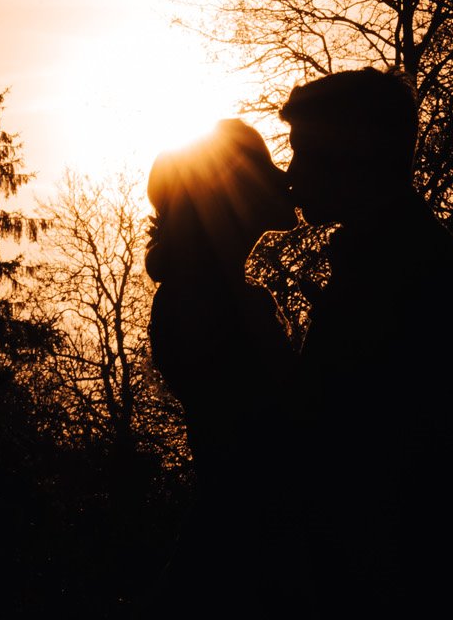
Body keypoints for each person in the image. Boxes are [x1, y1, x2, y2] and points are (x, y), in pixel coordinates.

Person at [279, 67, 453, 608]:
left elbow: (352, 446)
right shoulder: (388, 255)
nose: (291, 176)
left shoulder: (395, 269)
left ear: (353, 152)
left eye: (304, 151)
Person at [144, 118, 299, 608]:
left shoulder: (203, 291)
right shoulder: (209, 300)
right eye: (260, 167)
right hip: (244, 548)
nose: (284, 180)